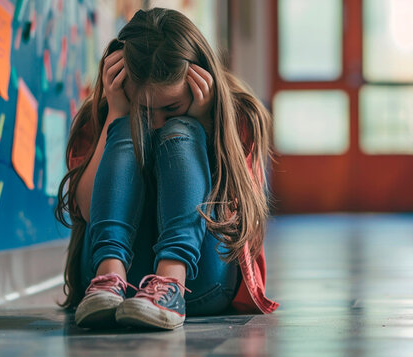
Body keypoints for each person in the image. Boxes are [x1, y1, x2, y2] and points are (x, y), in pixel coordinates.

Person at [55, 7, 279, 330]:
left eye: (171, 107)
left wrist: (202, 126)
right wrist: (117, 117)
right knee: (128, 132)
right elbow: (88, 211)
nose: (158, 121)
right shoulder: (102, 116)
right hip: (111, 284)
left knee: (181, 133)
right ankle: (109, 276)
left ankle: (169, 283)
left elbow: (240, 215)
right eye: (142, 110)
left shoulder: (238, 115)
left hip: (199, 281)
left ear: (199, 82)